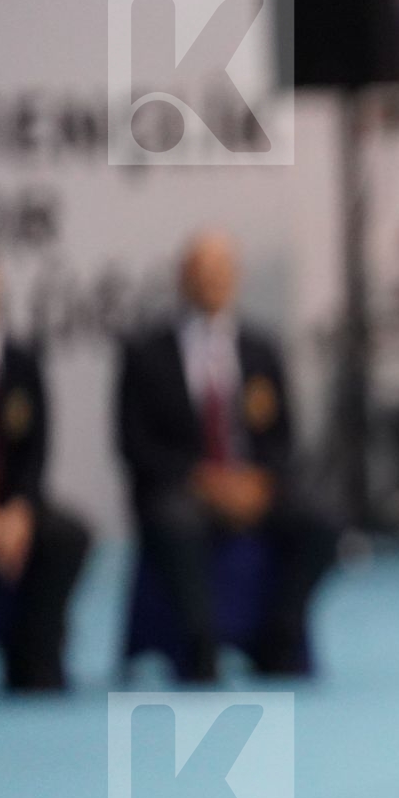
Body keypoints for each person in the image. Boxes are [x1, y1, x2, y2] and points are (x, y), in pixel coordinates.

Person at [116, 231, 338, 681]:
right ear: (183, 279)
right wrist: (202, 480)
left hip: (252, 485)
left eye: (220, 271)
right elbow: (134, 443)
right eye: (202, 272)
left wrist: (258, 482)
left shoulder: (261, 348)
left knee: (322, 519)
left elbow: (283, 437)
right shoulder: (146, 353)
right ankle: (199, 642)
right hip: (184, 487)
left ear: (236, 278)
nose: (212, 281)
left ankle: (279, 633)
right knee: (175, 523)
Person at [0, 239, 91, 692]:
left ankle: (34, 652)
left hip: (10, 507)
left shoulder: (22, 362)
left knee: (67, 534)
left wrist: (20, 510)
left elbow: (35, 452)